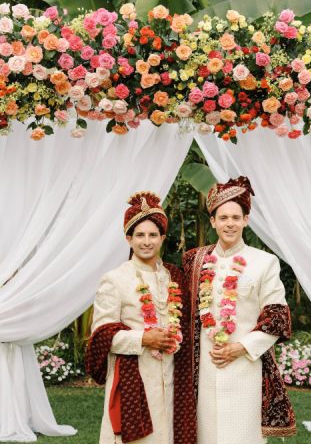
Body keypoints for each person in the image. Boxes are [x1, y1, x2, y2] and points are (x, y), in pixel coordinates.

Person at [183, 176, 296, 444]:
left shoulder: (264, 262)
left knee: (242, 435)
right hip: (205, 367)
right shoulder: (194, 260)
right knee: (206, 434)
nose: (229, 223)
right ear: (213, 221)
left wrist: (241, 348)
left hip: (246, 364)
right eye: (223, 218)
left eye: (236, 217)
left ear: (246, 219)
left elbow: (276, 316)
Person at [85, 191, 196, 444]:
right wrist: (144, 338)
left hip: (171, 375)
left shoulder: (173, 277)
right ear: (129, 239)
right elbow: (101, 336)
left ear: (162, 238)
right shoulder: (115, 279)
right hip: (134, 378)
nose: (147, 241)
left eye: (153, 235)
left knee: (167, 434)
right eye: (140, 235)